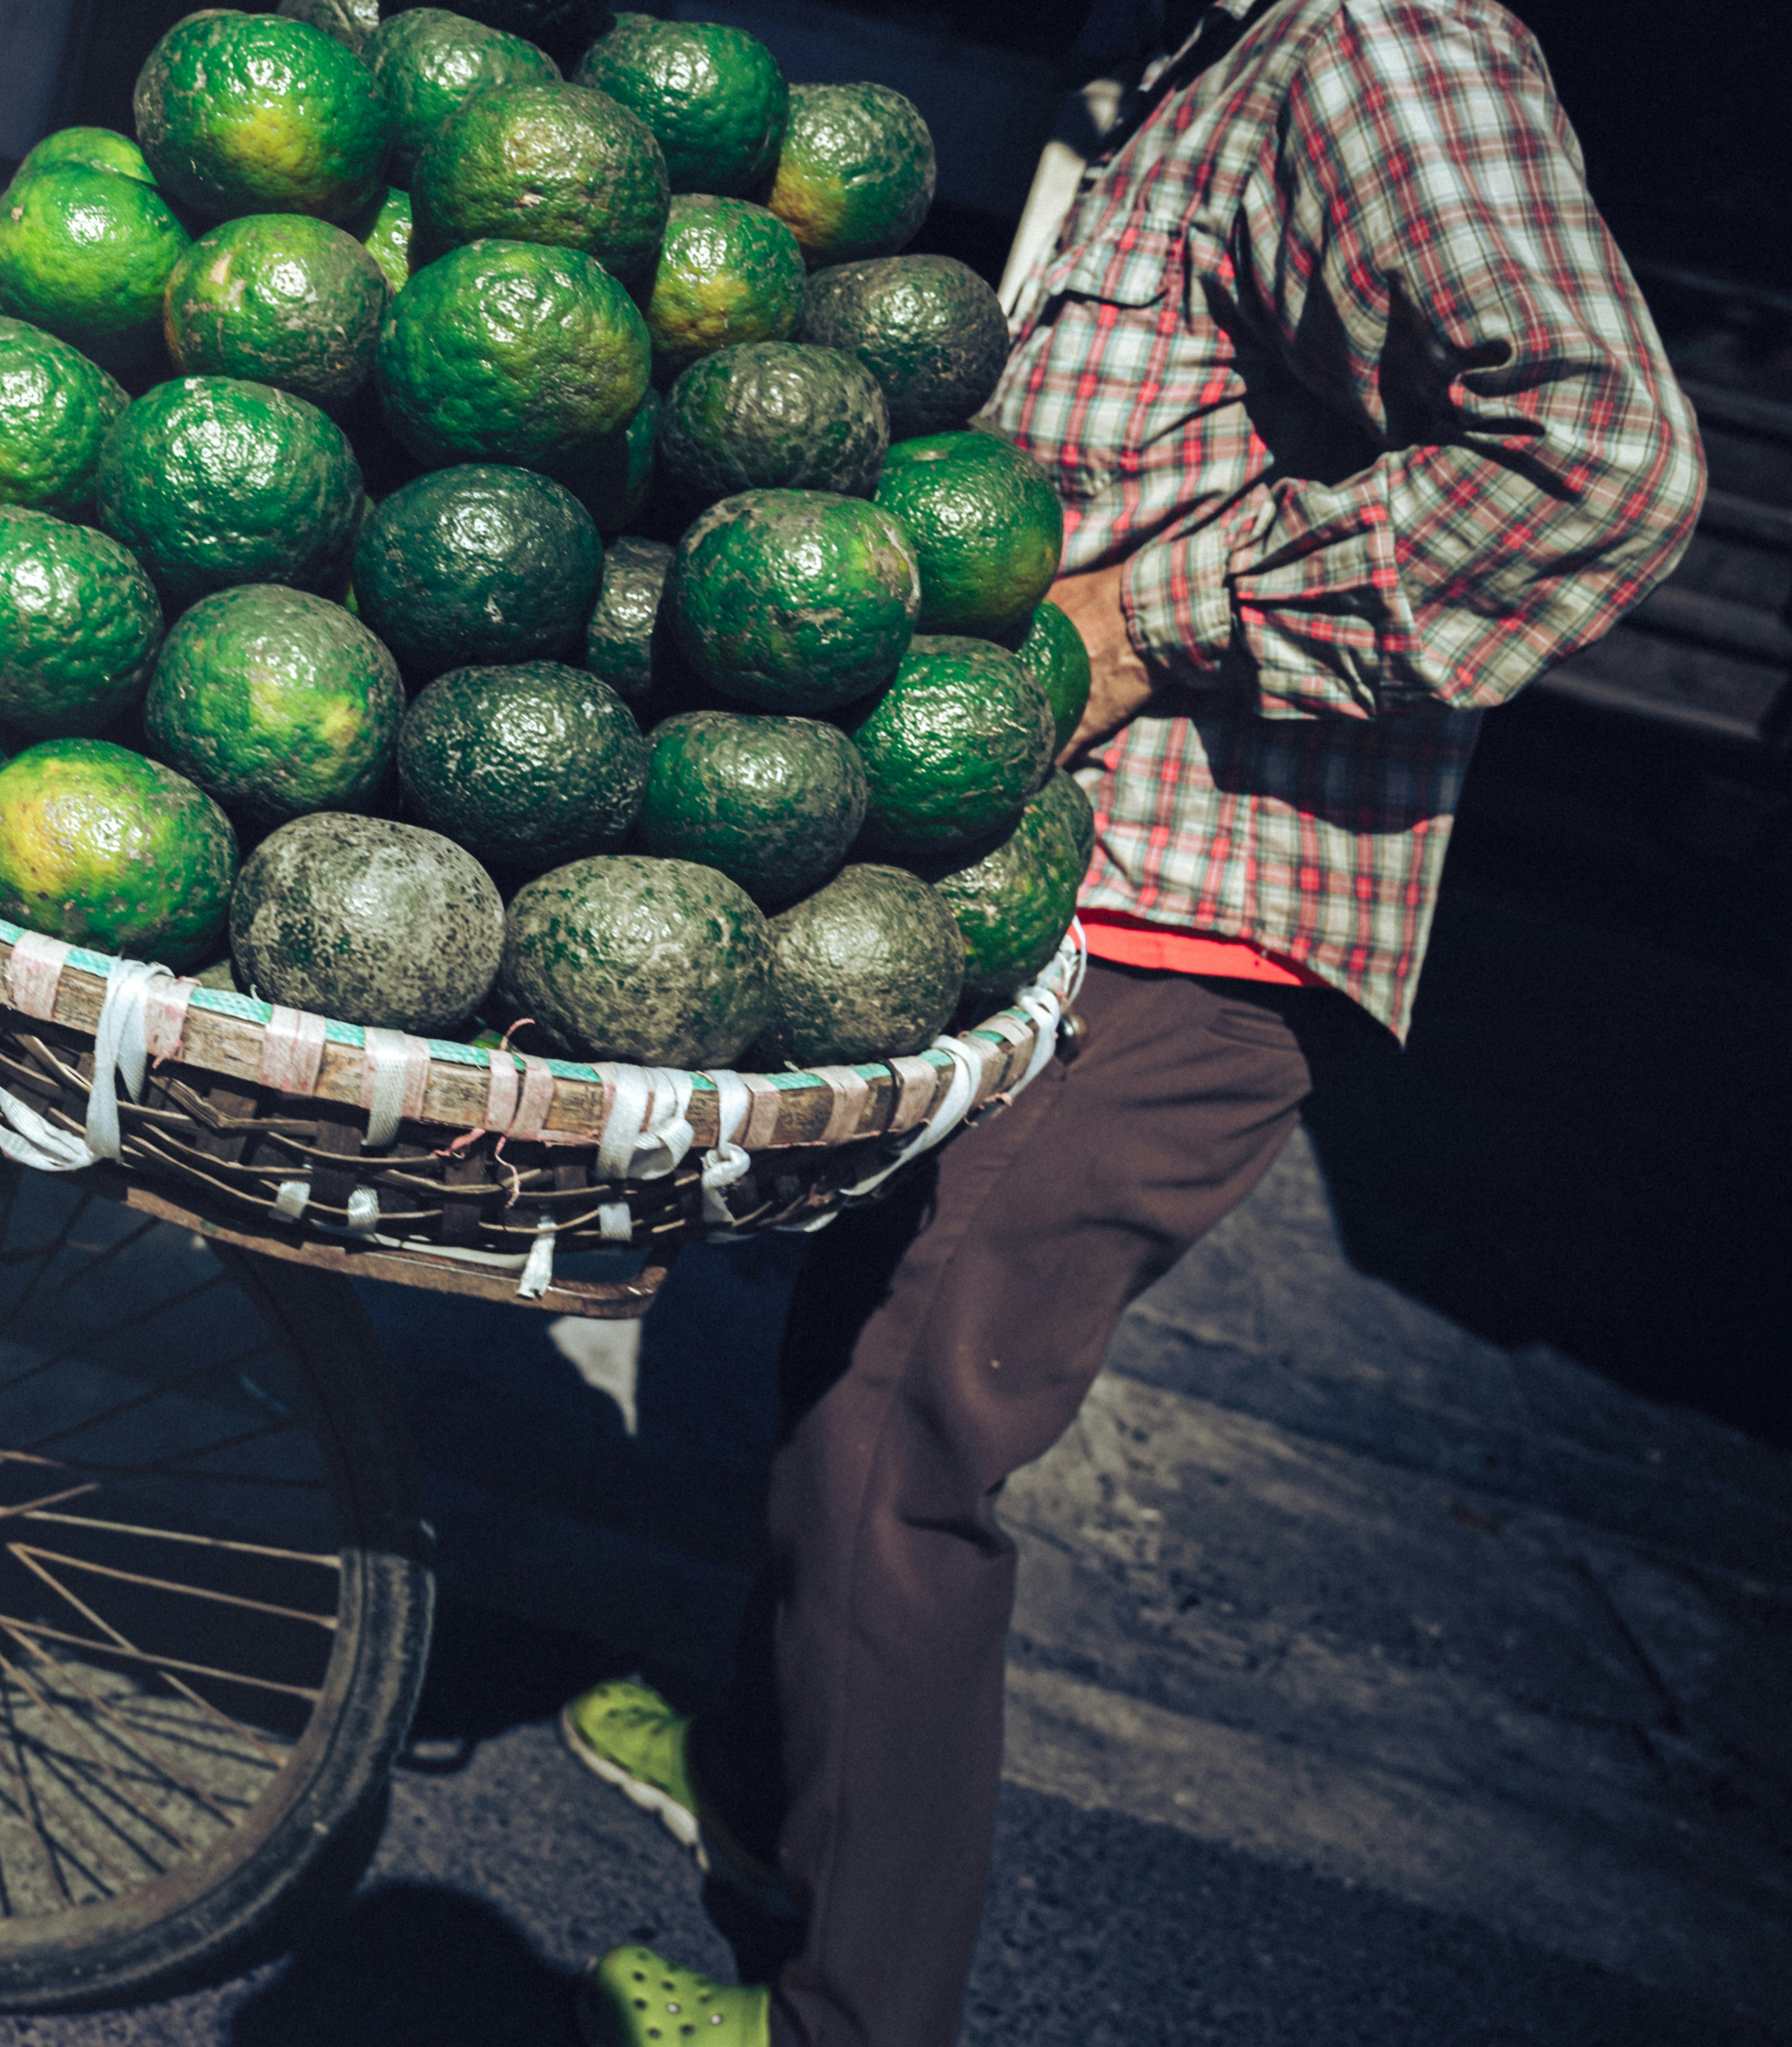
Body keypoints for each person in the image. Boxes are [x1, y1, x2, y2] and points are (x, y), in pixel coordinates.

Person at [560, 3, 1704, 2042]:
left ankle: (848, 2003)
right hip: (1057, 899)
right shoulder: (1192, 73)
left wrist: (1160, 615)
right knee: (859, 1340)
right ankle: (764, 1781)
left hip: (1195, 924)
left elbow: (1595, 463)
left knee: (898, 1438)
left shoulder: (1376, 43)